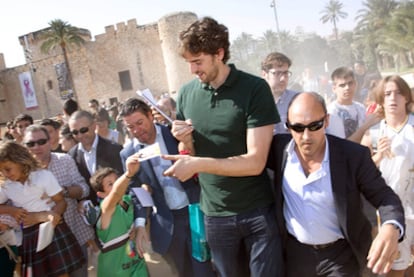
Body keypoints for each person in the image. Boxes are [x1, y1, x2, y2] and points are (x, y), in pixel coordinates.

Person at [164, 17, 282, 277]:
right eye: (189, 63)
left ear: (219, 54)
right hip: (214, 216)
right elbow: (193, 153)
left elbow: (255, 162)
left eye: (198, 61)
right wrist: (186, 140)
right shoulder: (185, 94)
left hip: (257, 212)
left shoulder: (255, 88)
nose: (193, 70)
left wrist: (197, 164)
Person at [267, 92, 405, 276]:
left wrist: (391, 227)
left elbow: (385, 196)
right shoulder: (278, 149)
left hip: (340, 256)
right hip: (295, 255)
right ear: (288, 126)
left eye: (314, 126)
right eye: (298, 127)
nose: (306, 136)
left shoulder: (352, 156)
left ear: (326, 121)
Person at [119, 98, 215, 277]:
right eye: (131, 127)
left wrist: (187, 144)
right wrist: (140, 224)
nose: (137, 130)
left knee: (204, 270)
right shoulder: (128, 154)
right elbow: (136, 192)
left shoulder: (175, 134)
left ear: (150, 115)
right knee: (183, 272)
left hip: (197, 212)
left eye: (140, 123)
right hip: (168, 224)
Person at [0, 141, 85, 277]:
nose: (5, 173)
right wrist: (11, 210)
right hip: (28, 236)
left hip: (52, 231)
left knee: (61, 273)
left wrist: (51, 216)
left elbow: (61, 202)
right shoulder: (6, 185)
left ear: (19, 160)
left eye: (8, 169)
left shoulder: (43, 176)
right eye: (1, 170)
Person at [24, 125, 95, 277]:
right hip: (42, 245)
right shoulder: (20, 172)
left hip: (75, 235)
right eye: (31, 144)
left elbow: (84, 188)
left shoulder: (65, 160)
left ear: (50, 142)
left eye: (41, 141)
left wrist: (61, 192)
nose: (36, 147)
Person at [361, 75, 414, 277]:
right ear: (380, 100)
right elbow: (360, 175)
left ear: (407, 97)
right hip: (391, 213)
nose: (393, 98)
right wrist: (378, 156)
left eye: (398, 93)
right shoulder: (372, 134)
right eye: (387, 94)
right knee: (394, 268)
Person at [89, 153, 149, 277]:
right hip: (115, 271)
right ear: (101, 194)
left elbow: (141, 204)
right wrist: (128, 174)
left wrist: (137, 228)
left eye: (117, 180)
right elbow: (116, 193)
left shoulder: (127, 199)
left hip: (137, 266)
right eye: (110, 184)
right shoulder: (105, 209)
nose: (116, 185)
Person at [68, 110, 124, 206]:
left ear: (94, 125)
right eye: (75, 132)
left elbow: (123, 181)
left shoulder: (114, 149)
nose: (80, 135)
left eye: (83, 130)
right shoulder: (71, 155)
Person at [328, 67, 381, 142]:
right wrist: (366, 125)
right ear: (334, 88)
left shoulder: (360, 108)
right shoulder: (332, 112)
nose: (347, 88)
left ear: (355, 84)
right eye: (342, 85)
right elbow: (342, 146)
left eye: (350, 83)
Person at [261, 52, 298, 134]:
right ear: (264, 74)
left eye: (286, 73)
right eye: (277, 73)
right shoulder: (253, 103)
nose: (283, 79)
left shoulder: (298, 100)